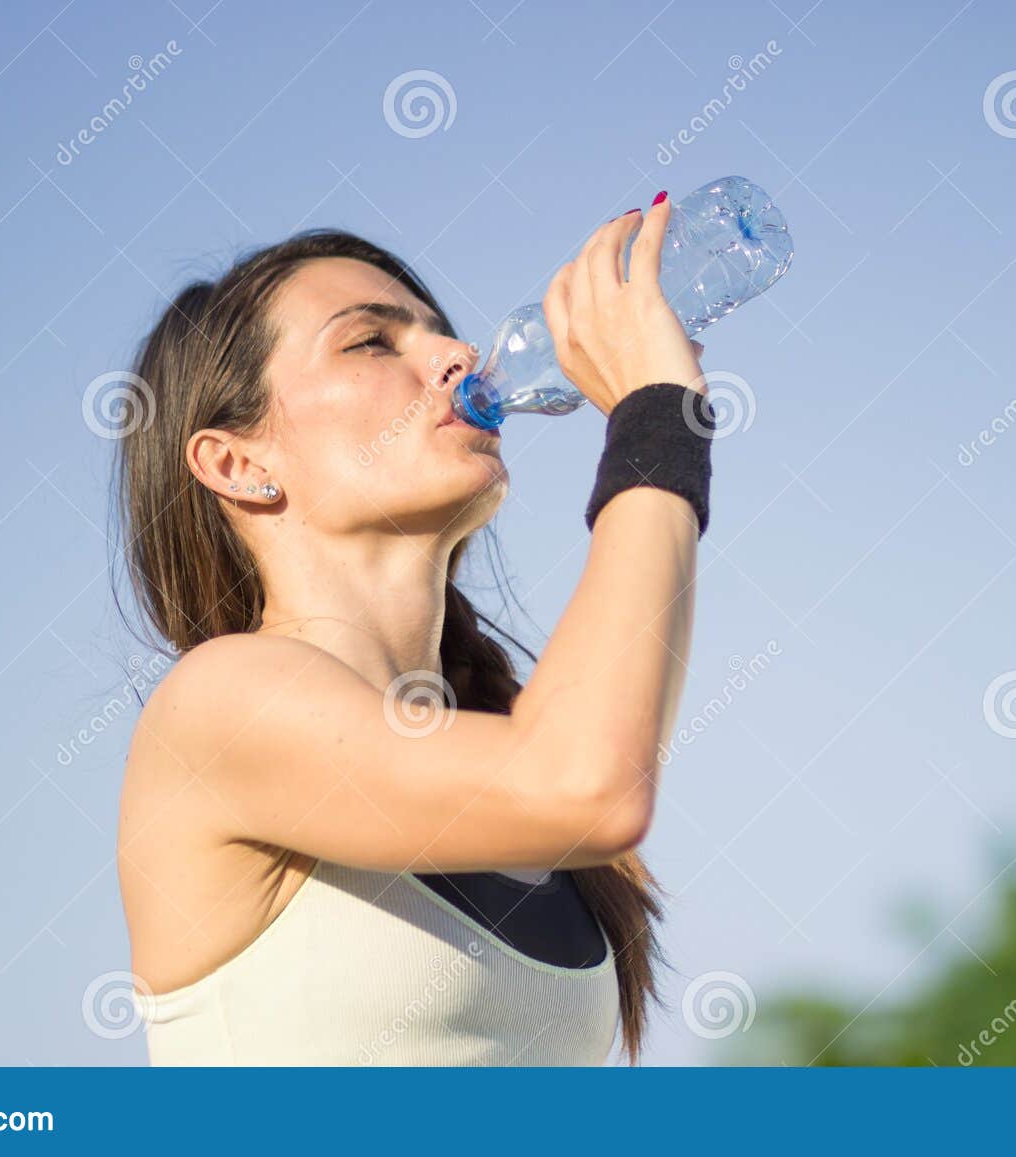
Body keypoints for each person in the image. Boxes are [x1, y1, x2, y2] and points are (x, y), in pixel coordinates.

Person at [113, 190, 716, 1064]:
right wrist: (657, 419)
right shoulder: (216, 704)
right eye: (371, 339)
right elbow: (589, 784)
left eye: (440, 331)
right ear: (239, 464)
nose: (457, 355)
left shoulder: (496, 744)